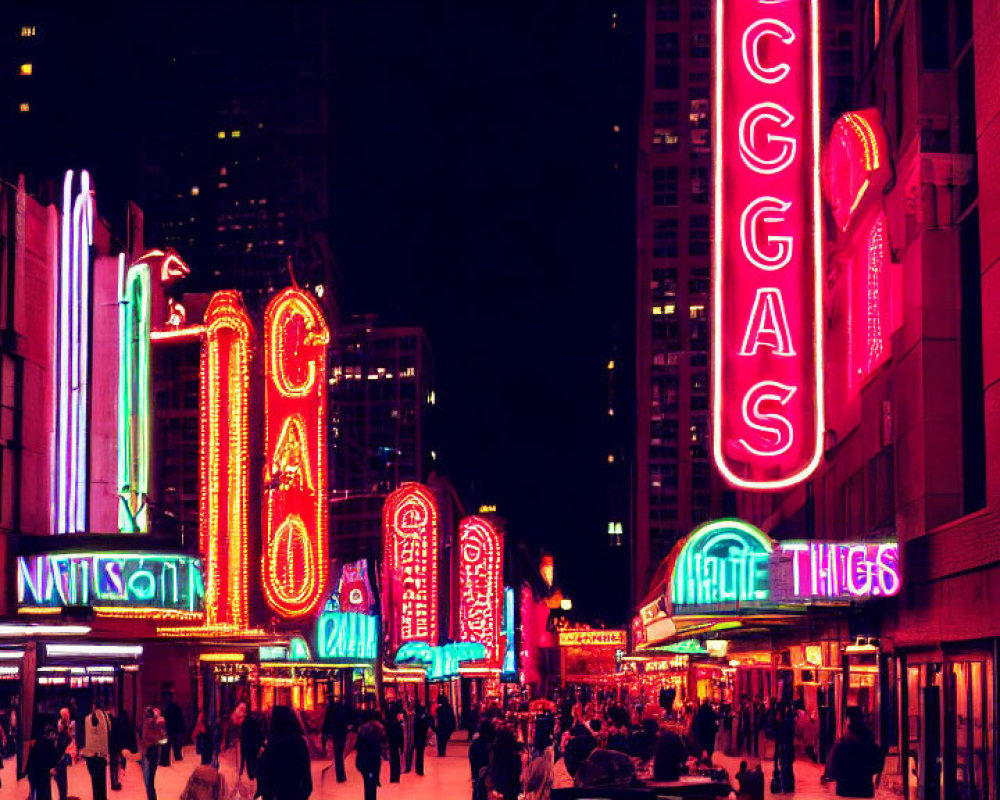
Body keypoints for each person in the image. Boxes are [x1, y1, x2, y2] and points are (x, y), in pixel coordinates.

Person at [255, 706, 312, 800]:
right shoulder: (300, 744)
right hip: (296, 795)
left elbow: (263, 779)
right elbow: (307, 781)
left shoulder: (271, 747)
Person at [829, 708, 885, 798]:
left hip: (844, 791)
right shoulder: (870, 744)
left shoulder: (841, 746)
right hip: (865, 791)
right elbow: (878, 765)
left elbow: (832, 769)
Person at [80, 702, 113, 800]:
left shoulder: (86, 719)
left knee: (94, 781)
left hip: (90, 754)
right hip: (101, 754)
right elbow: (109, 731)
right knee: (101, 782)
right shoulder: (106, 718)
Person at [320, 696, 353, 784]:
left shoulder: (331, 709)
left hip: (336, 731)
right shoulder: (344, 709)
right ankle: (341, 774)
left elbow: (327, 721)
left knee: (338, 753)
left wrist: (326, 731)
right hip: (342, 731)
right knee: (340, 752)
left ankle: (340, 775)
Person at [486, 726, 522, 800]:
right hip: (512, 791)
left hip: (498, 790)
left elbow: (492, 771)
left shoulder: (496, 755)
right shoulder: (515, 757)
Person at [355, 712, 386, 800]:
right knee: (372, 783)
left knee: (367, 782)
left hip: (364, 761)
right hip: (374, 761)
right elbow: (384, 743)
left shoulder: (362, 730)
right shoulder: (379, 729)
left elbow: (358, 746)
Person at [26, 721, 60, 800]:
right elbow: (51, 759)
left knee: (38, 792)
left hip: (35, 772)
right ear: (50, 734)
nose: (55, 736)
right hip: (42, 773)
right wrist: (53, 768)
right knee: (44, 793)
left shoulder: (39, 741)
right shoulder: (48, 743)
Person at [139, 706, 167, 800]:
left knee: (149, 781)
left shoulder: (152, 724)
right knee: (149, 781)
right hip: (150, 752)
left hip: (150, 753)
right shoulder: (151, 723)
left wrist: (152, 741)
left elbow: (160, 738)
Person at [109, 706, 136, 792]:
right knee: (119, 760)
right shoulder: (126, 723)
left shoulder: (114, 722)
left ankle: (114, 780)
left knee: (113, 764)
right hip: (121, 745)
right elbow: (130, 735)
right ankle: (120, 773)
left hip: (113, 745)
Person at [54, 708, 74, 800]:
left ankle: (63, 797)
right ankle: (63, 797)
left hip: (62, 756)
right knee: (61, 780)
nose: (69, 714)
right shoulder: (61, 724)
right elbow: (63, 741)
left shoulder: (66, 725)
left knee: (63, 780)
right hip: (59, 758)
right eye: (67, 713)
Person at [239, 710, 263, 781]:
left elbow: (243, 735)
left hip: (247, 745)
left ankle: (251, 774)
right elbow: (258, 733)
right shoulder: (254, 723)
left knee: (249, 760)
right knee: (254, 759)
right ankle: (254, 772)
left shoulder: (244, 723)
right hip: (253, 745)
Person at [385, 699, 405, 783]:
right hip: (395, 740)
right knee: (395, 758)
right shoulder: (396, 722)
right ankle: (395, 777)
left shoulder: (390, 719)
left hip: (392, 740)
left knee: (393, 758)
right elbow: (400, 733)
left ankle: (394, 777)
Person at [162, 692, 185, 763]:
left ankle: (165, 761)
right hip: (174, 729)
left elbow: (165, 718)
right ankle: (177, 758)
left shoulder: (167, 707)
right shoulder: (175, 707)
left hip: (170, 729)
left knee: (169, 745)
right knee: (175, 746)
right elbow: (180, 718)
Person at [412, 701, 432, 776]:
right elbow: (424, 727)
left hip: (417, 737)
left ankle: (418, 769)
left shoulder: (416, 717)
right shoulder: (422, 718)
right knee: (420, 754)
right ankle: (420, 770)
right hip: (421, 737)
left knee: (418, 754)